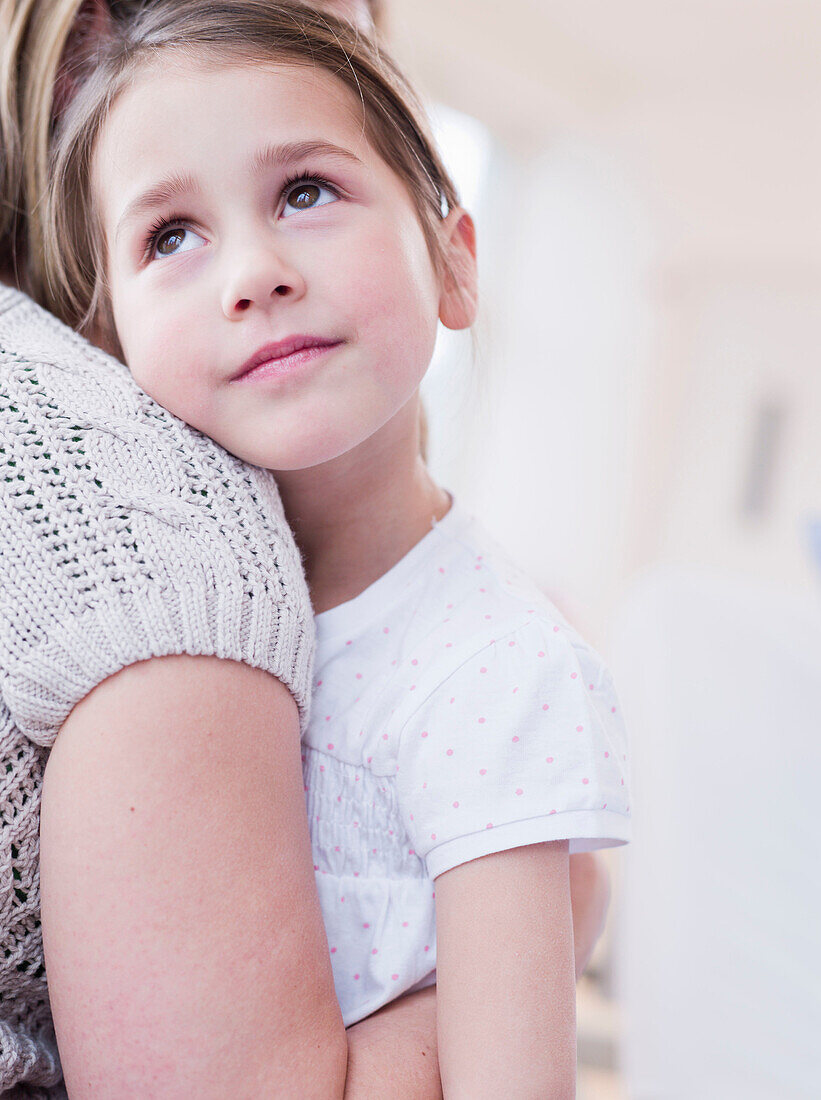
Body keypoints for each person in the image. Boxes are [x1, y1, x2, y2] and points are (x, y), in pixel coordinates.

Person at [38, 1, 632, 1094]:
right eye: (170, 234)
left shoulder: (493, 672)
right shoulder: (127, 618)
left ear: (453, 262)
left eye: (304, 191)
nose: (251, 271)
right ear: (107, 340)